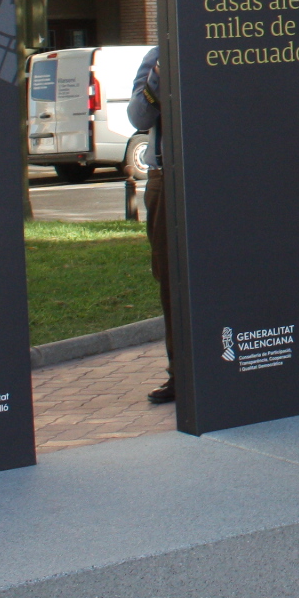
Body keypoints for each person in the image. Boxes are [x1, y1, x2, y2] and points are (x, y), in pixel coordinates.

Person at [125, 45, 174, 405]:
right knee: (172, 278)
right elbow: (138, 117)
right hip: (167, 178)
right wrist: (157, 77)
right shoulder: (158, 55)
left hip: (220, 175)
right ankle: (182, 372)